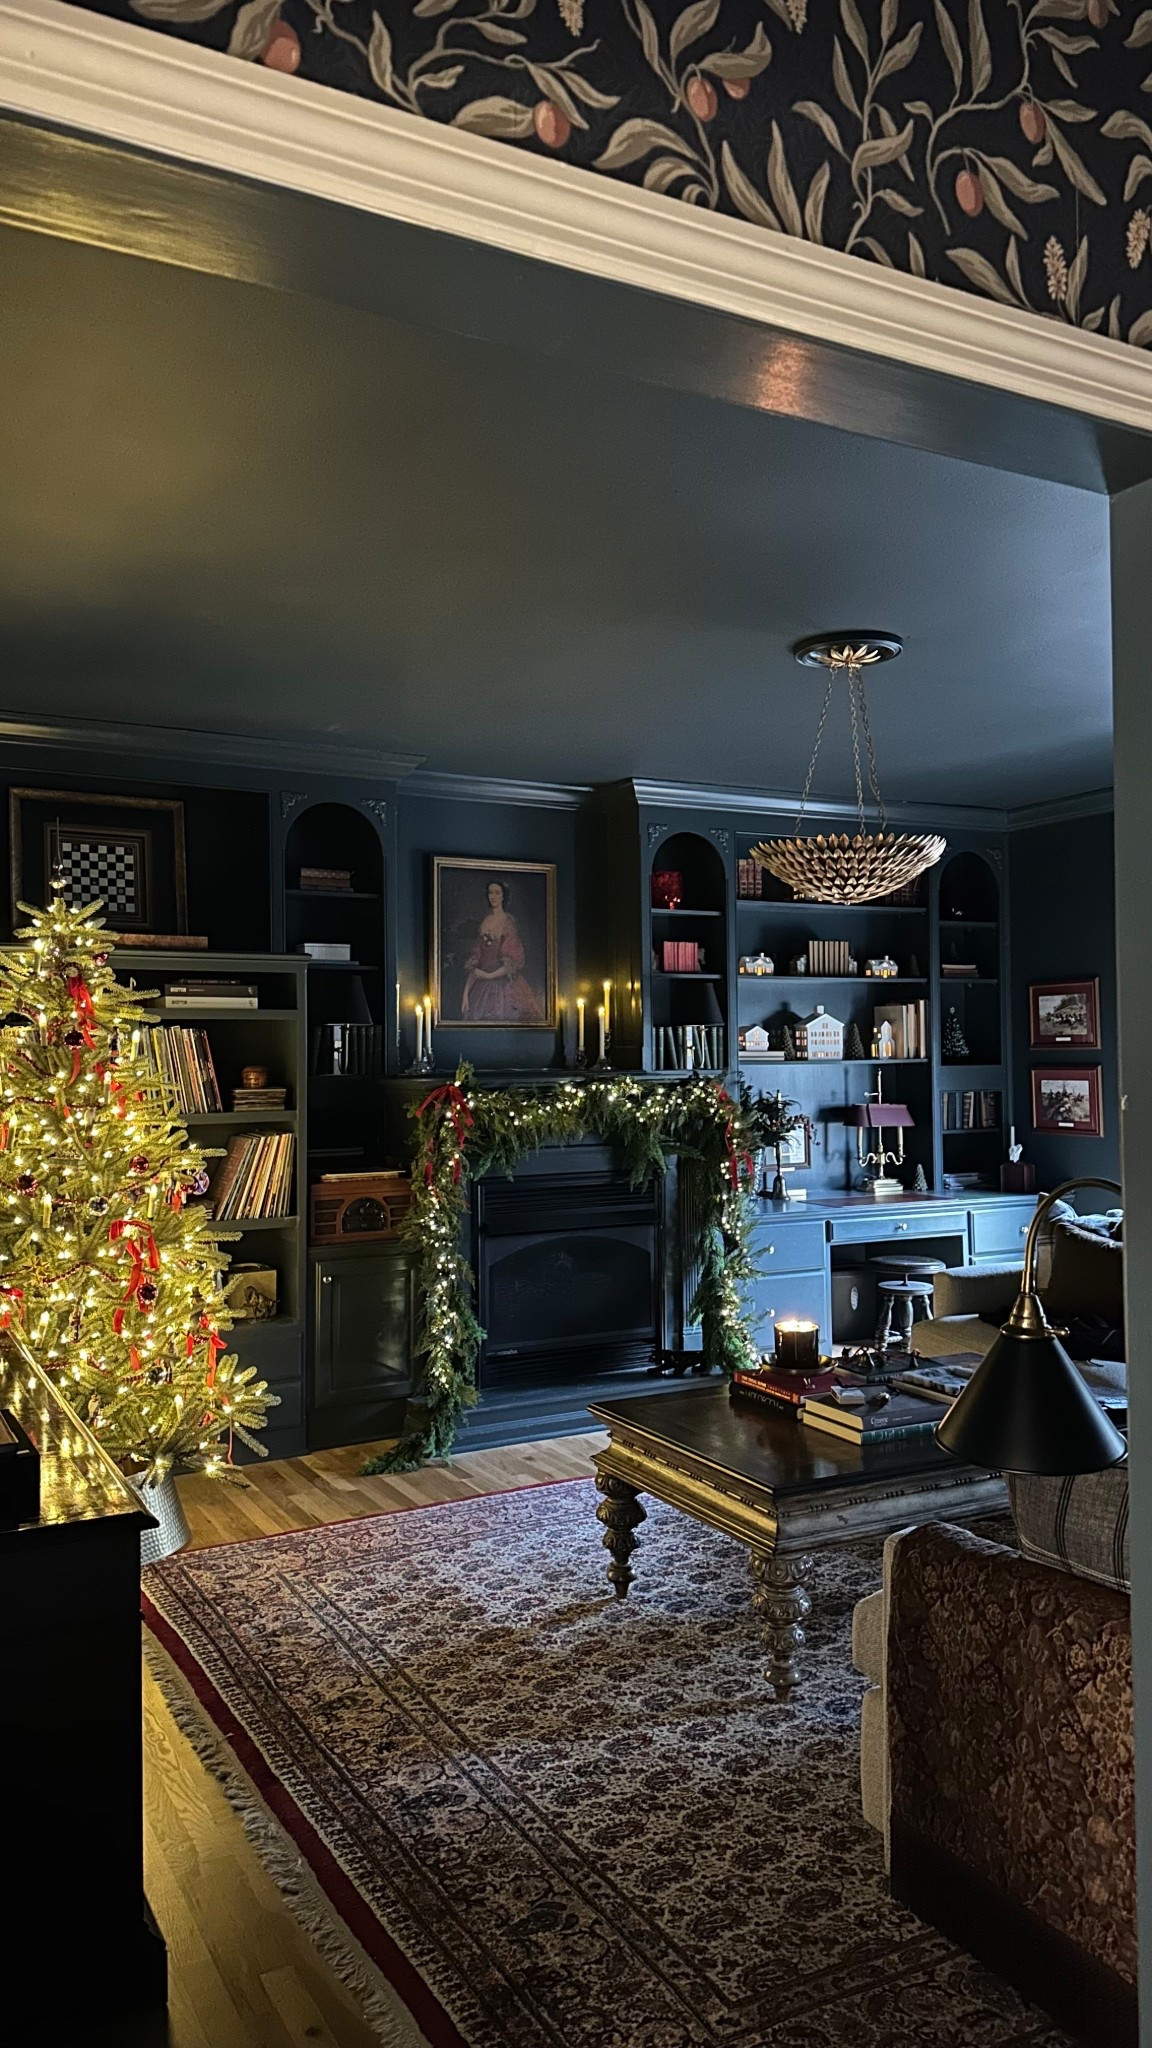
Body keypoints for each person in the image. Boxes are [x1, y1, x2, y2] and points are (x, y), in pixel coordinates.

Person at [460, 879, 544, 1023]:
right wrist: (466, 992)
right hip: (482, 984)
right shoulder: (486, 921)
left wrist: (489, 976)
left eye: (497, 893)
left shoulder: (508, 922)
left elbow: (514, 960)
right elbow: (476, 960)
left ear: (503, 896)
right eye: (490, 892)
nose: (493, 896)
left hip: (504, 985)